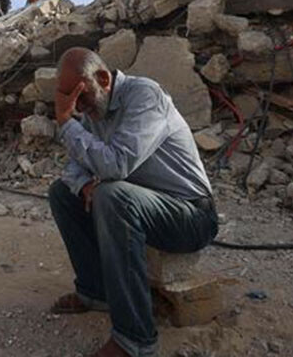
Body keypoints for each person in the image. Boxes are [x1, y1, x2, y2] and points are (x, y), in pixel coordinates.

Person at [48, 47, 218, 357]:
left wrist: (65, 121)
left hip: (192, 215)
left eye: (80, 98)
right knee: (62, 193)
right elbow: (73, 169)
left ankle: (136, 341)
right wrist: (84, 182)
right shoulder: (93, 111)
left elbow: (117, 165)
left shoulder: (144, 96)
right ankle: (95, 292)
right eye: (70, 102)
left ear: (102, 78)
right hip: (148, 207)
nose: (78, 108)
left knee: (112, 195)